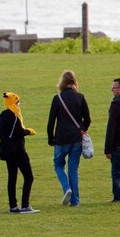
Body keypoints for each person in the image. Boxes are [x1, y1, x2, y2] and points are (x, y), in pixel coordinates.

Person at [46, 70, 91, 207]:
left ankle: (67, 188)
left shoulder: (57, 98)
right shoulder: (80, 97)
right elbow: (87, 119)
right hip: (77, 138)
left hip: (61, 138)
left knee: (58, 164)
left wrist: (50, 138)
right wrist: (82, 129)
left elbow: (51, 121)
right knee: (73, 168)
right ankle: (75, 201)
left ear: (62, 82)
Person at [0, 92, 39, 213]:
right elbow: (19, 132)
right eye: (17, 102)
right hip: (18, 150)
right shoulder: (14, 116)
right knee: (28, 177)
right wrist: (29, 131)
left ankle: (13, 206)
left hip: (7, 151)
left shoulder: (2, 115)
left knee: (12, 177)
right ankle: (25, 205)